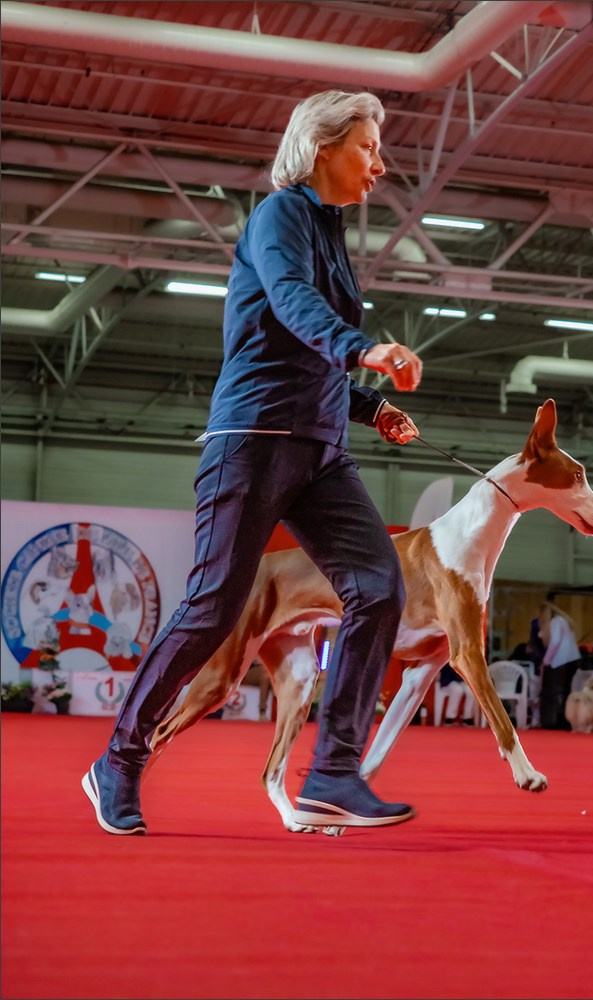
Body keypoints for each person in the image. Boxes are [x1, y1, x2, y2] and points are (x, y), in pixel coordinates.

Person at [82, 90, 424, 835]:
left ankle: (333, 774)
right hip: (253, 441)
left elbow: (300, 346)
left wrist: (368, 407)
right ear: (323, 147)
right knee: (213, 609)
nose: (380, 165)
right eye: (368, 148)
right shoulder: (280, 216)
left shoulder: (329, 232)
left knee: (378, 587)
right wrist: (365, 349)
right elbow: (293, 303)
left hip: (321, 453)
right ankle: (119, 760)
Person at [538, 602, 581, 730]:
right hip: (572, 660)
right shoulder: (564, 621)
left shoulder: (555, 622)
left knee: (553, 692)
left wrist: (546, 660)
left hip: (560, 661)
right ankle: (565, 720)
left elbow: (555, 642)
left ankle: (553, 720)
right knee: (566, 691)